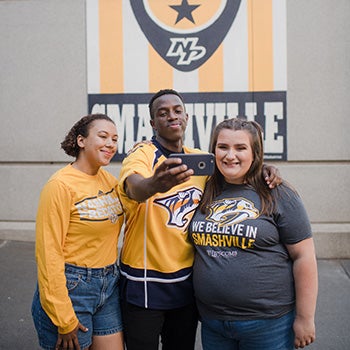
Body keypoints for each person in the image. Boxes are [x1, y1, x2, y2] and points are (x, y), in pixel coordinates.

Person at [117, 89, 281, 350]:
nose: (172, 116)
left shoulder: (200, 160)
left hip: (187, 282)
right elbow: (132, 187)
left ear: (186, 117)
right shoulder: (143, 154)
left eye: (177, 110)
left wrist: (263, 169)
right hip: (145, 282)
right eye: (163, 113)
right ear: (152, 123)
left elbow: (235, 168)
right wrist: (154, 184)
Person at [188, 118, 318, 350]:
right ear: (213, 150)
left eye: (240, 148)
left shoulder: (277, 192)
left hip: (268, 325)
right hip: (213, 323)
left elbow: (304, 256)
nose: (230, 155)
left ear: (255, 153)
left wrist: (305, 318)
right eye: (223, 147)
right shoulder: (203, 189)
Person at [31, 114, 124, 350]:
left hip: (108, 283)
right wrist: (63, 317)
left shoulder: (110, 181)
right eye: (103, 136)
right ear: (81, 141)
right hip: (72, 288)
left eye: (114, 139)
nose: (110, 144)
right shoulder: (60, 186)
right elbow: (48, 253)